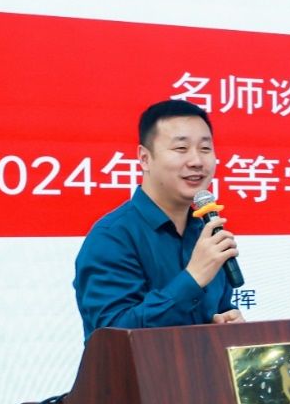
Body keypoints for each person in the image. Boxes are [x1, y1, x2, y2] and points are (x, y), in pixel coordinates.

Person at [73, 99, 244, 341]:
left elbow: (219, 308)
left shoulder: (206, 233)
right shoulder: (112, 237)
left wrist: (228, 322)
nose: (197, 161)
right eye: (181, 148)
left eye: (205, 148)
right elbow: (113, 337)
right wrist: (193, 278)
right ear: (144, 158)